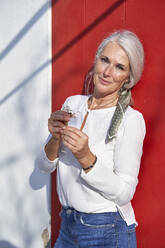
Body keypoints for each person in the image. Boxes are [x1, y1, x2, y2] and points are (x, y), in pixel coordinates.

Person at [37, 30, 146, 248]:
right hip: (68, 225)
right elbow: (43, 166)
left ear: (128, 78)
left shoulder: (131, 120)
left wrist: (86, 157)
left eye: (119, 67)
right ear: (96, 60)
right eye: (104, 60)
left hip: (107, 230)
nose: (107, 72)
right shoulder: (73, 103)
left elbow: (125, 193)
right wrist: (56, 137)